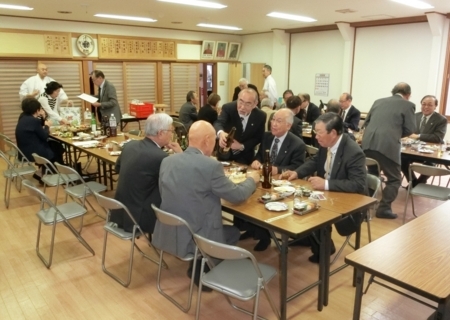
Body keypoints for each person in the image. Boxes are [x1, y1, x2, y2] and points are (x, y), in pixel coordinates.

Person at [152, 120, 260, 287]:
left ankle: (201, 264)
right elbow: (238, 195)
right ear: (208, 140)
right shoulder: (211, 166)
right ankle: (206, 270)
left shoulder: (167, 161)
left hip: (170, 231)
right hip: (198, 237)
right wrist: (252, 180)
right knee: (233, 232)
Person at [285, 112, 367, 262]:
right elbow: (316, 161)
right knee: (296, 201)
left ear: (333, 133)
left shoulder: (353, 152)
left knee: (313, 211)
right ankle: (309, 238)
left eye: (319, 133)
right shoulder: (326, 143)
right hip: (327, 194)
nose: (316, 136)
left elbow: (358, 184)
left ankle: (324, 248)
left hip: (349, 202)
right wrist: (297, 173)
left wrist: (326, 184)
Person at [242, 109, 306, 251]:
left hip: (283, 188)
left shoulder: (297, 144)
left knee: (261, 203)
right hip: (264, 181)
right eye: (273, 120)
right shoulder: (267, 137)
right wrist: (256, 162)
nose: (274, 124)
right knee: (248, 198)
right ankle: (253, 230)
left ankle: (265, 237)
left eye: (278, 121)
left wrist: (279, 169)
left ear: (289, 126)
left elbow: (298, 168)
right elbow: (259, 155)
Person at [111, 113, 182, 234]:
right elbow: (177, 182)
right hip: (140, 219)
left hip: (120, 212)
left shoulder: (129, 146)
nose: (172, 134)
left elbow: (117, 168)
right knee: (181, 199)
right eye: (171, 131)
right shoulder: (160, 157)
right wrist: (181, 156)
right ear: (160, 133)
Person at [362, 82, 416, 219]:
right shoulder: (408, 105)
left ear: (393, 91)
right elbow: (410, 129)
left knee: (373, 174)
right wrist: (394, 135)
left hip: (368, 144)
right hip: (387, 146)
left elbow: (366, 123)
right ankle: (384, 208)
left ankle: (364, 205)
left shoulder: (378, 101)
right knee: (394, 179)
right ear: (408, 95)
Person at [401, 95, 447, 186]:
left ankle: (420, 182)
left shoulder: (441, 120)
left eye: (430, 105)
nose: (426, 107)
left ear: (435, 106)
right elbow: (408, 132)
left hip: (432, 152)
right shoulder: (415, 116)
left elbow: (438, 137)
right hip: (414, 149)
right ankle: (413, 181)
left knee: (431, 163)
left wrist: (418, 136)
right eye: (424, 104)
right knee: (401, 158)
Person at [215, 88, 266, 165]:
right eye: (240, 102)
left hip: (245, 156)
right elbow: (218, 123)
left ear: (255, 104)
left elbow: (258, 137)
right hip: (225, 154)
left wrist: (241, 146)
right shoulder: (228, 108)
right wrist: (221, 133)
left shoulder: (260, 116)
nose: (242, 107)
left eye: (247, 104)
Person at [15, 98, 55, 184]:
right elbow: (44, 136)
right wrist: (47, 126)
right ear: (37, 110)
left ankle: (42, 172)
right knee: (55, 147)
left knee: (53, 145)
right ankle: (45, 173)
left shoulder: (23, 116)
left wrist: (43, 118)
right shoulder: (33, 120)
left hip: (23, 149)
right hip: (31, 152)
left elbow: (37, 128)